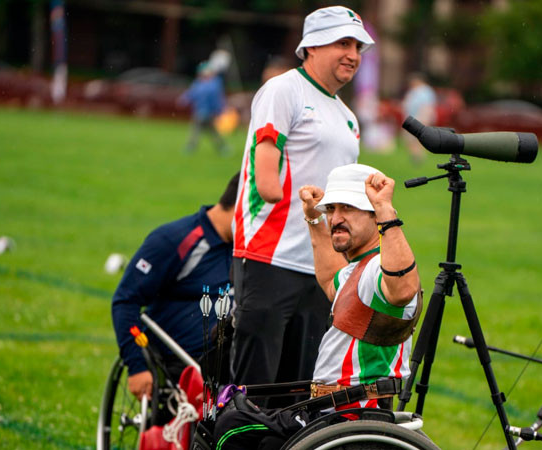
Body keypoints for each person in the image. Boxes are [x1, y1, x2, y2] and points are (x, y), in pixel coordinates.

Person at [214, 163, 422, 449]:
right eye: (332, 209)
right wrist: (314, 220)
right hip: (330, 412)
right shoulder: (357, 269)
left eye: (347, 208)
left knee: (233, 429)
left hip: (351, 418)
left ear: (374, 216)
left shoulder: (377, 269)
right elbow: (328, 280)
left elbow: (403, 289)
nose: (336, 218)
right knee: (234, 420)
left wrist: (387, 210)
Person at [230, 5, 376, 405]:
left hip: (323, 268)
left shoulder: (348, 117)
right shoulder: (283, 90)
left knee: (302, 394)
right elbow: (265, 165)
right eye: (343, 43)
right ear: (312, 46)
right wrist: (272, 187)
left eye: (358, 46)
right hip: (269, 258)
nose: (353, 54)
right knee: (255, 391)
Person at [111, 173, 239, 404]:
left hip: (230, 361)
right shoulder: (174, 239)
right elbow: (125, 301)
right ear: (241, 206)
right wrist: (137, 366)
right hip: (180, 364)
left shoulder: (248, 248)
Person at [178, 61, 230, 155]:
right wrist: (184, 99)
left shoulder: (214, 84)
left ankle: (191, 147)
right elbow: (191, 93)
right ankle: (222, 148)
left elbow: (217, 99)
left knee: (197, 130)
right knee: (210, 131)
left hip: (207, 112)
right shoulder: (199, 83)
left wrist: (219, 110)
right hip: (200, 111)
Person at [402, 72, 437, 164]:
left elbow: (427, 107)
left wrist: (424, 119)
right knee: (411, 139)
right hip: (412, 118)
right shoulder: (414, 91)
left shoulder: (425, 91)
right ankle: (416, 156)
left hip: (419, 118)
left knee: (416, 139)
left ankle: (418, 157)